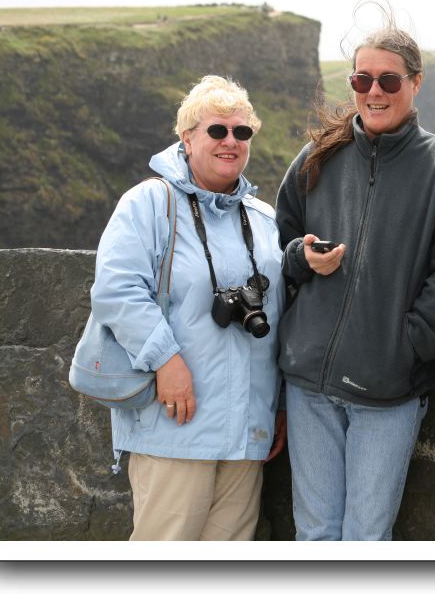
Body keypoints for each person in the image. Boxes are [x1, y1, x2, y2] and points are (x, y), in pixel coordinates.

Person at [275, 21, 435, 540]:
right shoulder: (319, 155)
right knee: (315, 535)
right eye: (362, 80)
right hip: (309, 383)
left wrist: (406, 348)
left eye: (389, 81)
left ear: (416, 83)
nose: (373, 92)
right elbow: (280, 243)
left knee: (367, 539)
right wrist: (302, 259)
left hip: (387, 390)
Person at [91, 75, 287, 540]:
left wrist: (277, 405)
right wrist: (166, 360)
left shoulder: (264, 221)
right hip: (174, 425)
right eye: (217, 130)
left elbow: (281, 316)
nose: (231, 141)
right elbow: (116, 290)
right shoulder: (149, 204)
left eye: (242, 133)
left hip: (245, 433)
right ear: (187, 137)